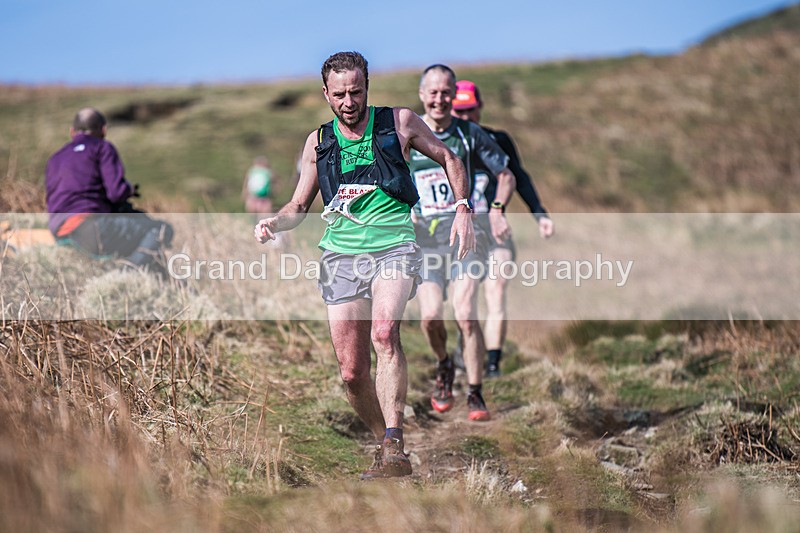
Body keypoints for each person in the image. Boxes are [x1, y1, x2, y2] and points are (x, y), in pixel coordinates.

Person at [253, 52, 476, 480]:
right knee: (352, 373)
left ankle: (395, 441)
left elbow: (450, 158)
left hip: (394, 246)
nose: (348, 101)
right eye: (339, 94)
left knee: (384, 332)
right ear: (326, 94)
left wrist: (463, 206)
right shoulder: (318, 141)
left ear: (367, 87)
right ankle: (383, 442)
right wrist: (274, 223)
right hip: (339, 256)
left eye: (356, 91)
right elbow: (299, 205)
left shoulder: (399, 122)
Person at [409, 65, 516, 421]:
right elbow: (389, 179)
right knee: (429, 318)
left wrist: (498, 209)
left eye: (446, 92)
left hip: (467, 237)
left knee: (466, 313)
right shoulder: (406, 133)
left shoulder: (469, 134)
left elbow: (505, 174)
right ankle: (443, 367)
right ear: (422, 95)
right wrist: (405, 208)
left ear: (454, 95)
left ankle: (474, 391)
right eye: (433, 92)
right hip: (426, 241)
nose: (440, 99)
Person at [451, 80, 555, 377]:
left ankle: (493, 366)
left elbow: (518, 177)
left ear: (479, 107)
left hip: (496, 231)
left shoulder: (498, 140)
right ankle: (464, 355)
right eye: (459, 111)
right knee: (465, 298)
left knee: (496, 291)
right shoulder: (443, 142)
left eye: (470, 110)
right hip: (461, 235)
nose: (465, 116)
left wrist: (540, 214)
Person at [45, 108, 173, 277]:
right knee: (160, 230)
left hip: (59, 233)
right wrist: (128, 190)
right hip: (90, 229)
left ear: (72, 131)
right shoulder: (102, 148)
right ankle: (125, 278)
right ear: (104, 130)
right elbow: (115, 193)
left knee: (127, 234)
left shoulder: (55, 158)